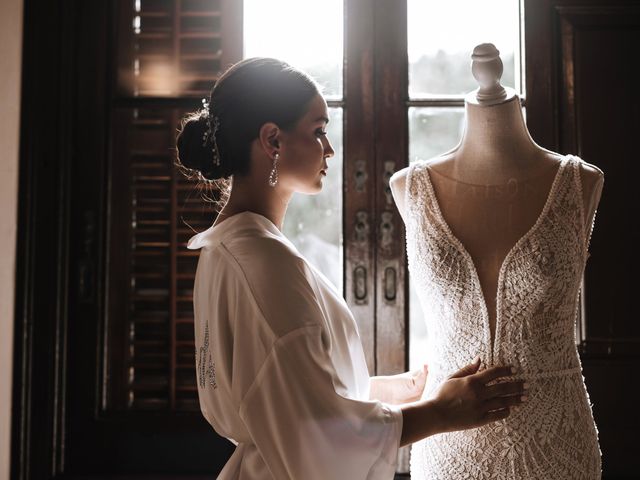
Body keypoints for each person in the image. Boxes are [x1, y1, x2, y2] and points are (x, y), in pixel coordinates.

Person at [176, 57, 526, 480]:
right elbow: (312, 432)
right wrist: (442, 412)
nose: (330, 149)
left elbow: (289, 393)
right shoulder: (263, 261)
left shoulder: (223, 248)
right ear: (273, 140)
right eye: (318, 130)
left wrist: (402, 389)